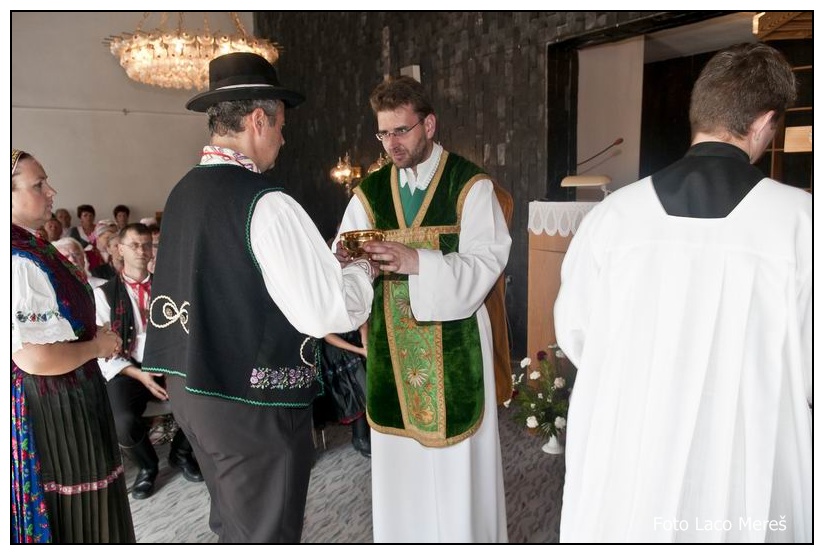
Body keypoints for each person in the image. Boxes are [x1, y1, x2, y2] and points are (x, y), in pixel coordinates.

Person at [555, 43, 812, 543]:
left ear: (699, 113)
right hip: (744, 456)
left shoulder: (615, 214)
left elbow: (577, 334)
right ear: (765, 122)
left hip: (631, 446)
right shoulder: (799, 221)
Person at [142, 52, 376, 543]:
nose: (284, 140)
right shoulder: (266, 201)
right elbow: (325, 312)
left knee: (234, 521)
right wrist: (363, 270)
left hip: (191, 387)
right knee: (267, 532)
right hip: (250, 401)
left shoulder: (183, 191)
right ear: (257, 120)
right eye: (282, 127)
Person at [336, 75, 512, 543]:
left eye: (401, 130)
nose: (391, 143)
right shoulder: (370, 193)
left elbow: (487, 262)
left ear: (428, 125)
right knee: (402, 472)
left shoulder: (470, 186)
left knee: (458, 472)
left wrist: (417, 261)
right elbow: (348, 256)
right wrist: (347, 264)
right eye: (383, 133)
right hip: (392, 350)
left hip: (456, 346)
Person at [12, 148, 135, 543]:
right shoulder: (17, 261)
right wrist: (95, 347)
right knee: (81, 516)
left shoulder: (32, 247)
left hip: (72, 391)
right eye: (38, 185)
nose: (51, 191)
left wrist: (88, 332)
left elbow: (54, 323)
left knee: (96, 505)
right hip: (55, 401)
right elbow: (34, 356)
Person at [94, 223, 203, 500]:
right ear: (120, 249)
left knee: (201, 400)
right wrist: (139, 374)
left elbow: (186, 331)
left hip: (170, 363)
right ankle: (147, 466)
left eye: (146, 245)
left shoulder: (169, 287)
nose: (141, 250)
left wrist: (173, 366)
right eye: (134, 245)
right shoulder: (104, 293)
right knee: (122, 419)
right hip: (128, 368)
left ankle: (181, 453)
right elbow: (103, 351)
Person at [315, 324, 371, 457]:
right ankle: (360, 438)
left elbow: (363, 321)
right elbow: (327, 335)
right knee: (357, 391)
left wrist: (365, 344)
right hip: (335, 350)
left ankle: (364, 436)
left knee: (367, 386)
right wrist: (359, 350)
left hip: (356, 341)